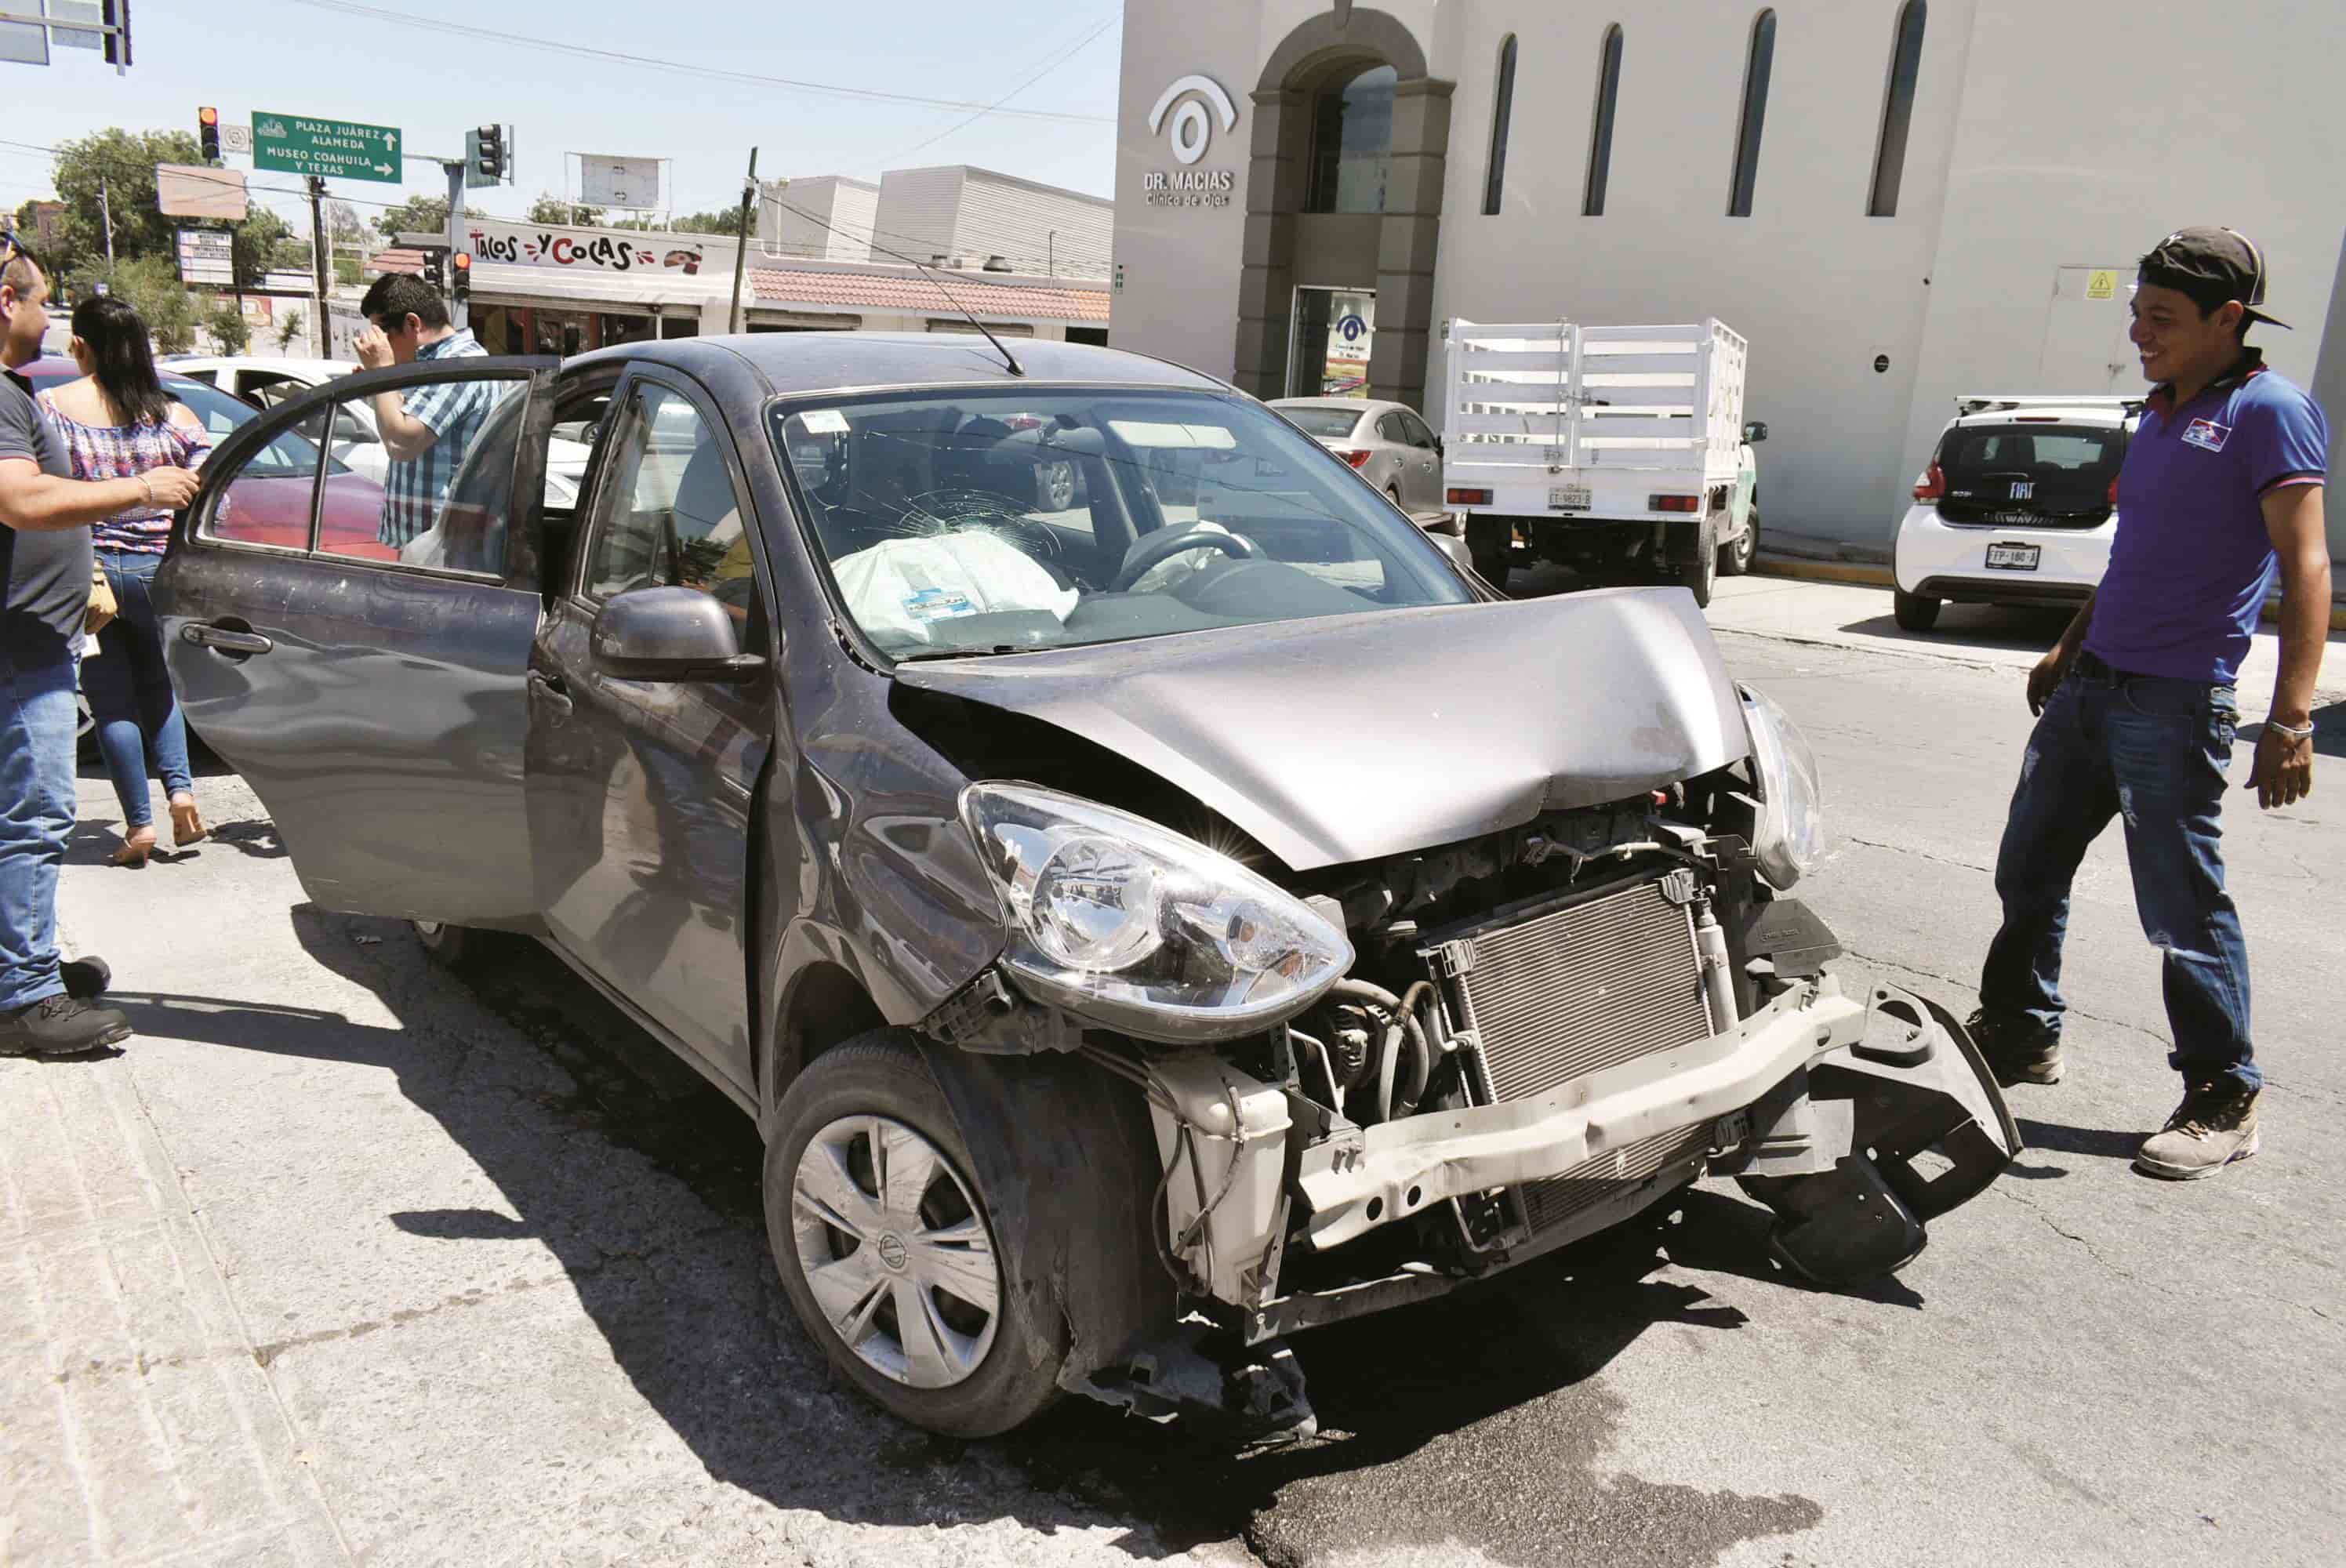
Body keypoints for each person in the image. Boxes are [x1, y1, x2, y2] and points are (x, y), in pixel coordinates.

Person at [1970, 227, 2330, 1181]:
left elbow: (2306, 568)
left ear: (2230, 318)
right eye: (2136, 314)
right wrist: (2067, 643)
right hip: (2092, 686)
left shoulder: (2270, 411)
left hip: (2174, 702)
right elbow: (2138, 555)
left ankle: (2224, 1092)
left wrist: (2290, 719)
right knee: (2029, 866)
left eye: (2162, 319)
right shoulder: (2163, 412)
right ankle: (2019, 1031)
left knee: (2179, 902)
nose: (2140, 333)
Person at [0, 243, 201, 1057]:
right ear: (4, 301)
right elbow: (20, 499)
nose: (47, 318)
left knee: (46, 789)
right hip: (22, 644)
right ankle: (25, 999)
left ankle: (27, 966)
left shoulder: (27, 397)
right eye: (39, 299)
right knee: (37, 814)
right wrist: (141, 487)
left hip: (39, 629)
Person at [36, 295, 212, 866]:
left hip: (87, 576)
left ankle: (139, 827)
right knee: (161, 688)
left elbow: (40, 492)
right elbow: (210, 483)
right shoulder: (176, 415)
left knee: (112, 703)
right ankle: (181, 792)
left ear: (81, 345)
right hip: (158, 572)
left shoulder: (52, 409)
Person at [352, 273, 491, 550]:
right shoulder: (432, 366)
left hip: (441, 550)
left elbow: (401, 442)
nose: (382, 347)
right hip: (423, 547)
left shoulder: (459, 366)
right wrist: (381, 385)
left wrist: (382, 373)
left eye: (383, 336)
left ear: (412, 323)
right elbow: (402, 423)